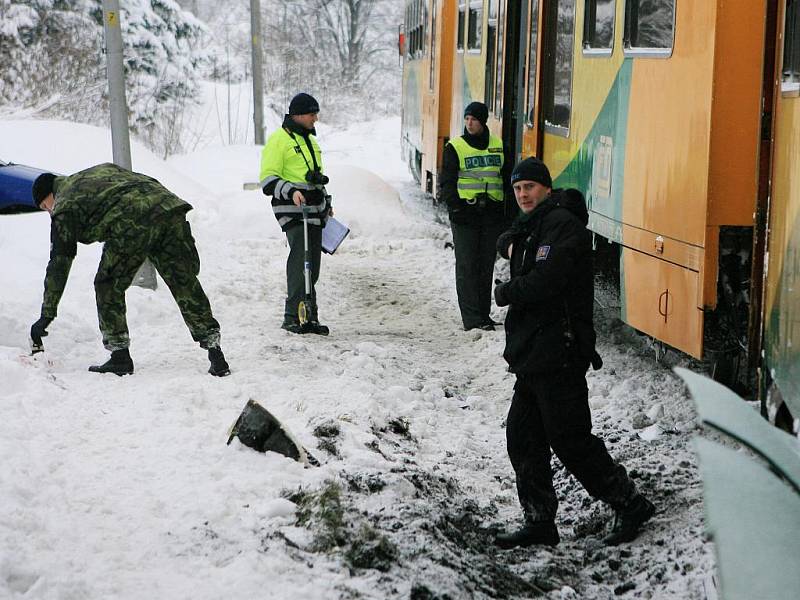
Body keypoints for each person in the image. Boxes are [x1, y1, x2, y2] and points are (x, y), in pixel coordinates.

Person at [492, 157, 655, 548]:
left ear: (546, 188)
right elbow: (510, 238)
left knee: (570, 438)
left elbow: (547, 280)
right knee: (523, 437)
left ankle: (629, 503)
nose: (522, 194)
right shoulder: (535, 223)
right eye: (517, 189)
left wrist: (505, 291)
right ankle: (539, 521)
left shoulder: (564, 228)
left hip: (559, 350)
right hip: (533, 352)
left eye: (529, 187)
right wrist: (508, 243)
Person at [28, 163, 230, 377]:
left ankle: (119, 356)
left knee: (107, 284)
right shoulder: (93, 175)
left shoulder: (65, 204)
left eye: (44, 205)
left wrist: (47, 314)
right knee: (183, 280)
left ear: (49, 193)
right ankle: (215, 353)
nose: (48, 211)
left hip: (132, 220)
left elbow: (59, 262)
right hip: (168, 207)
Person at [260, 92, 331, 335]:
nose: (316, 119)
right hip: (293, 210)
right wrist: (290, 191)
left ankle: (309, 317)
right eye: (312, 114)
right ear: (298, 115)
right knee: (302, 261)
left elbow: (314, 177)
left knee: (313, 267)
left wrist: (326, 200)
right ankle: (292, 316)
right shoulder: (279, 140)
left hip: (314, 211)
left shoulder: (309, 140)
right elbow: (268, 179)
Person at [439, 101, 510, 331]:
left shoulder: (498, 145)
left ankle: (483, 315)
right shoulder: (455, 147)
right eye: (467, 119)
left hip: (490, 214)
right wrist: (457, 209)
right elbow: (447, 182)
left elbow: (505, 177)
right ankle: (471, 319)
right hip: (465, 216)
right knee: (467, 267)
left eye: (474, 120)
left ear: (483, 121)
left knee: (485, 266)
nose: (469, 123)